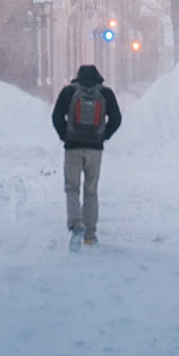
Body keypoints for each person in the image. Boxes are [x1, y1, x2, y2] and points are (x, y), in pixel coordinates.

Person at [51, 63, 122, 248]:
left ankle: (75, 224)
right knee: (91, 190)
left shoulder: (68, 92)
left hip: (72, 147)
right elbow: (116, 119)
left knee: (72, 188)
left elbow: (56, 116)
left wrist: (65, 135)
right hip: (95, 150)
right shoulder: (106, 94)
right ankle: (90, 234)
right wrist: (103, 136)